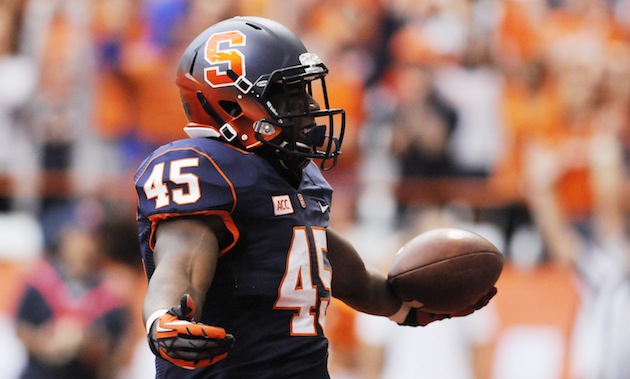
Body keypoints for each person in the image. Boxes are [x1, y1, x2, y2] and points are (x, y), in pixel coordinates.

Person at [134, 16, 496, 378]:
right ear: (232, 107)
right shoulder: (204, 168)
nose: (308, 105)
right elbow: (179, 261)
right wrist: (165, 317)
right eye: (290, 94)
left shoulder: (295, 173)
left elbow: (331, 264)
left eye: (305, 90)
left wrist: (406, 307)